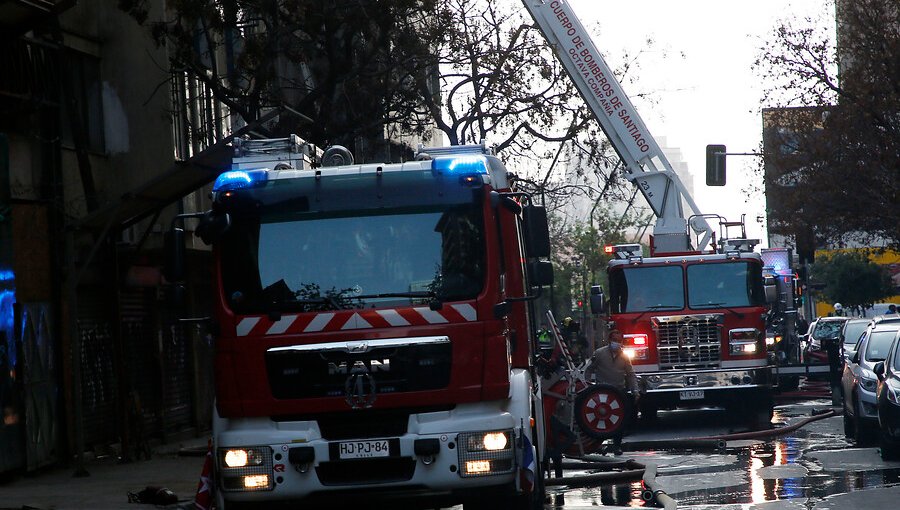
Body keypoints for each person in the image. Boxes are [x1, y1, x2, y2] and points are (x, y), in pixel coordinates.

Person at [584, 329, 640, 455]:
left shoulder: (625, 357)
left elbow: (631, 374)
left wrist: (635, 390)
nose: (617, 343)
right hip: (601, 394)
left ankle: (617, 445)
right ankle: (597, 445)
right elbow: (588, 370)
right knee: (598, 420)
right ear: (609, 340)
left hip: (618, 393)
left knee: (618, 420)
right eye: (614, 340)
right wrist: (586, 387)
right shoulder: (599, 354)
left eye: (619, 341)